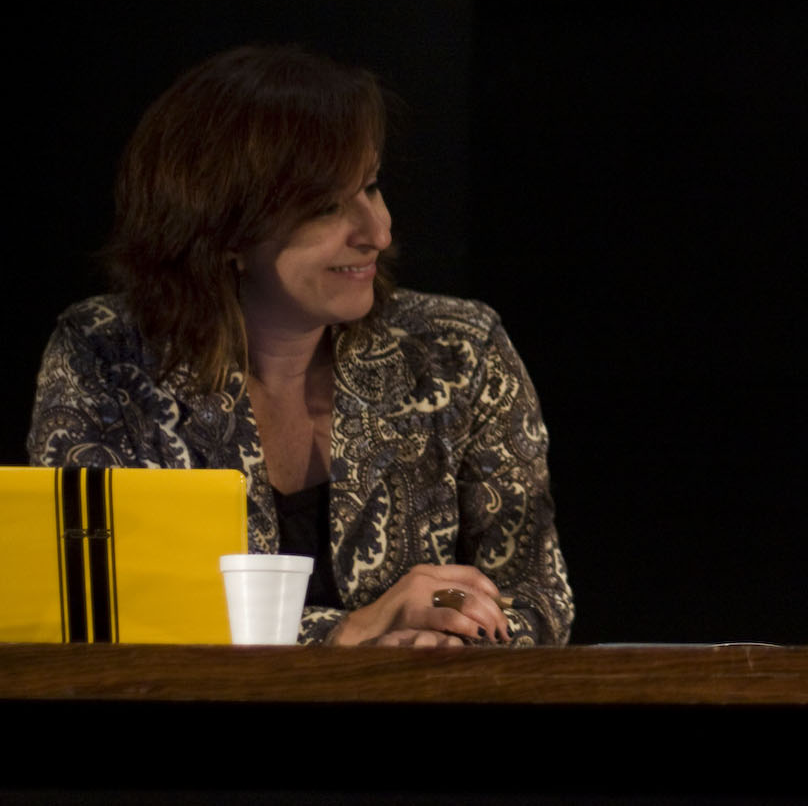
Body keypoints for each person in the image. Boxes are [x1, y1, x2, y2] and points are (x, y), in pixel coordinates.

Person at [29, 46, 572, 646]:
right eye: (325, 208)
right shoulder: (104, 356)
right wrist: (349, 635)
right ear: (225, 228)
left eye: (371, 187)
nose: (378, 232)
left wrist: (441, 615)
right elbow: (99, 606)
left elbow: (536, 596)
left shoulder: (457, 350)